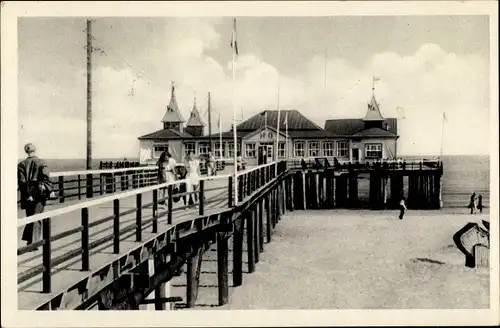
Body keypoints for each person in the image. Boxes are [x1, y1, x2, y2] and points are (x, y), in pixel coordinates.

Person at [18, 143, 52, 249]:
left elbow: (22, 181)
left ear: (26, 151)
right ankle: (34, 243)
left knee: (30, 216)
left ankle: (29, 240)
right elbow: (46, 178)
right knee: (37, 216)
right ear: (35, 150)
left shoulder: (21, 165)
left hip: (27, 195)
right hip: (38, 194)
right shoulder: (42, 162)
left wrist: (27, 194)